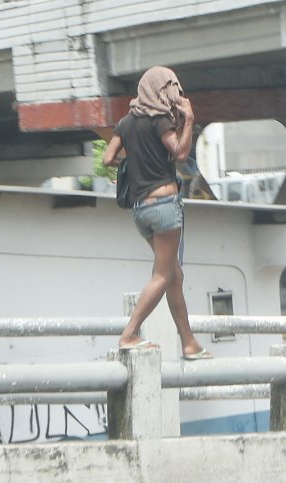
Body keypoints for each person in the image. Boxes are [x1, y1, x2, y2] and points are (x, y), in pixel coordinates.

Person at [103, 66, 213, 360]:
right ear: (159, 90)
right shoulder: (159, 120)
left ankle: (189, 342)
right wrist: (188, 120)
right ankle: (130, 333)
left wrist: (137, 159)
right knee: (163, 275)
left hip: (141, 211)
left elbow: (108, 157)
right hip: (164, 207)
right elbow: (178, 152)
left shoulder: (126, 122)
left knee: (174, 274)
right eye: (170, 88)